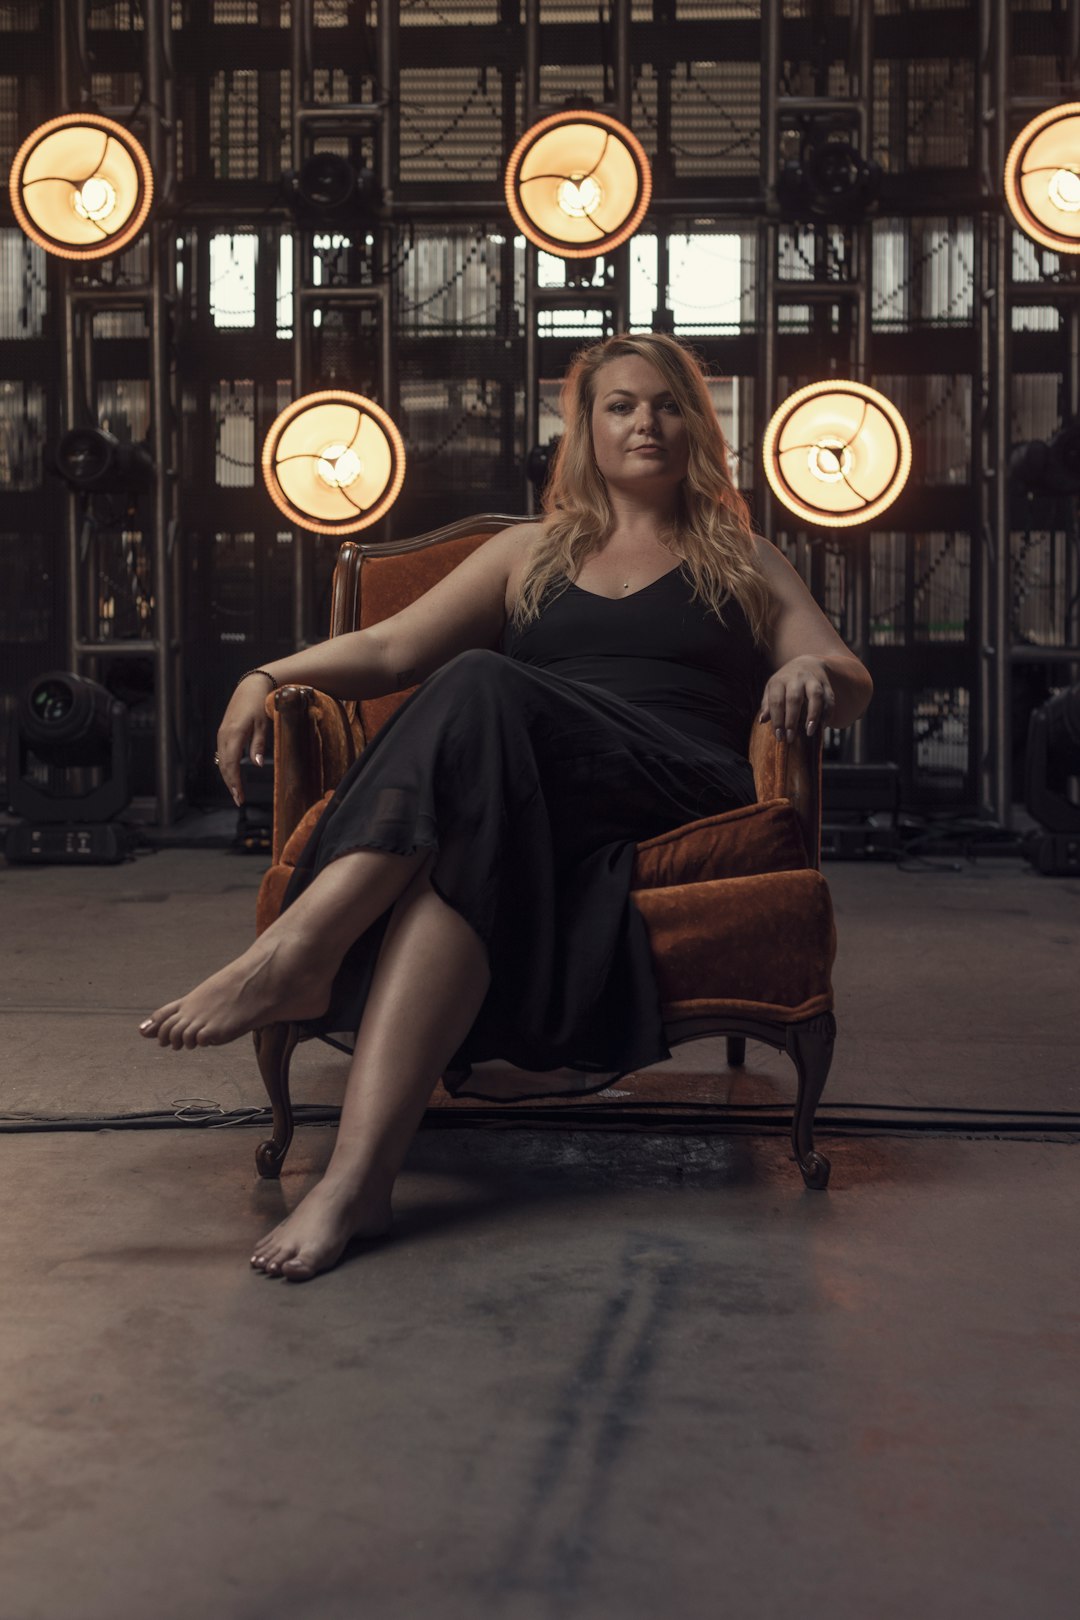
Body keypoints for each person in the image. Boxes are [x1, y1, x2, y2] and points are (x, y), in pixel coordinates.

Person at [139, 331, 872, 1282]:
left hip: (676, 778)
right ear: (586, 431)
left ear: (698, 424)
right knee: (463, 855)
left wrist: (810, 666)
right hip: (533, 791)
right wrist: (265, 672)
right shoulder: (530, 552)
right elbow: (391, 651)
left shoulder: (742, 555)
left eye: (667, 403)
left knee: (483, 678)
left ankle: (301, 948)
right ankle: (359, 1181)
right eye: (621, 406)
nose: (645, 421)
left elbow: (850, 677)